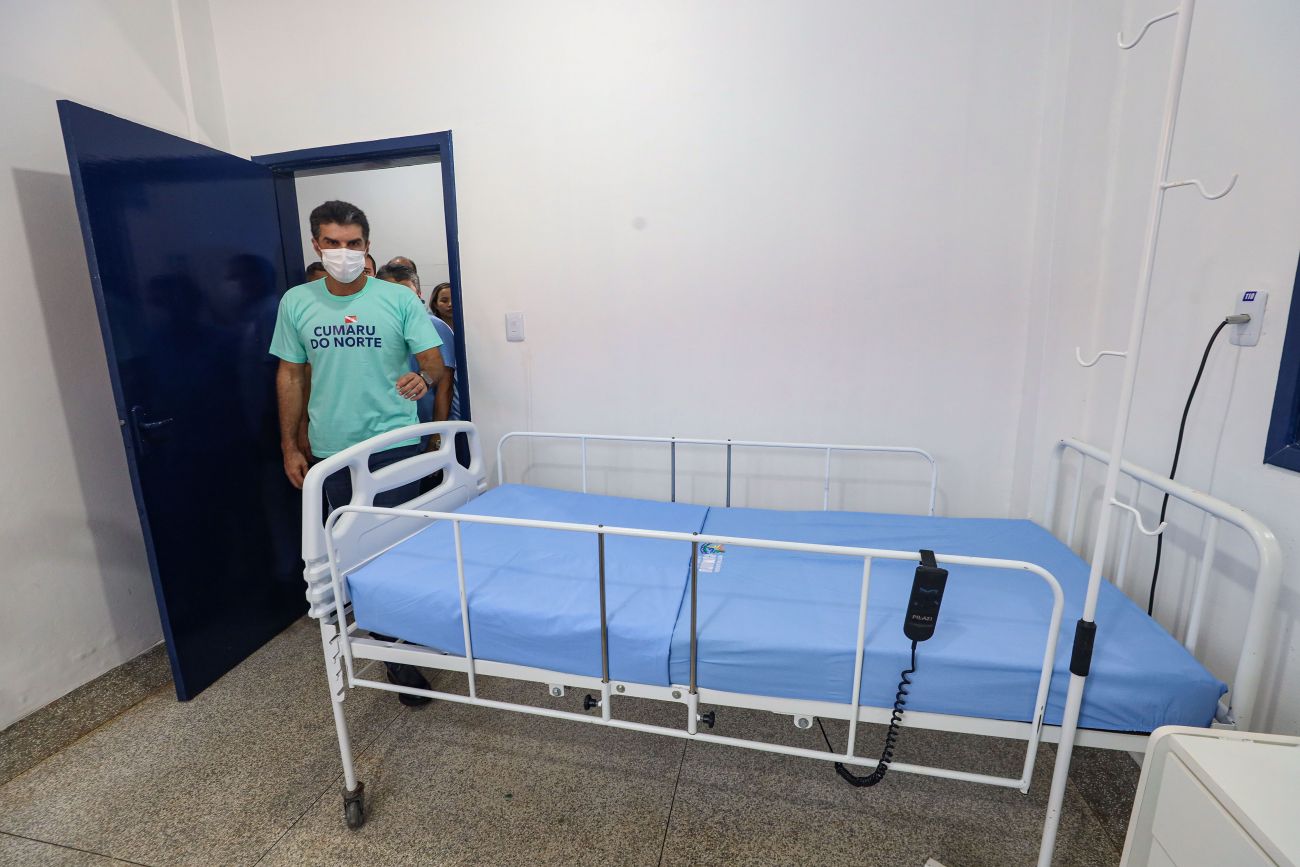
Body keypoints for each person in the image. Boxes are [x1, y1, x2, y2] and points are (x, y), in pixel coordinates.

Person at [269, 200, 447, 706]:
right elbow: (291, 374)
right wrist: (289, 443)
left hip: (392, 443)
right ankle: (393, 649)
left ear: (367, 246)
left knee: (395, 547)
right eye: (332, 243)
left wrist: (422, 378)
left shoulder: (397, 299)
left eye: (353, 244)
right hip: (332, 450)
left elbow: (434, 364)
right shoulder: (297, 302)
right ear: (316, 244)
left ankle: (405, 645)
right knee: (355, 551)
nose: (343, 252)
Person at [376, 262, 454, 435]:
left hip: (423, 423)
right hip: (384, 424)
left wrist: (437, 436)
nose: (400, 302)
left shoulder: (435, 326)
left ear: (418, 294)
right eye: (391, 295)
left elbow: (444, 386)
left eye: (406, 295)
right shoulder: (373, 326)